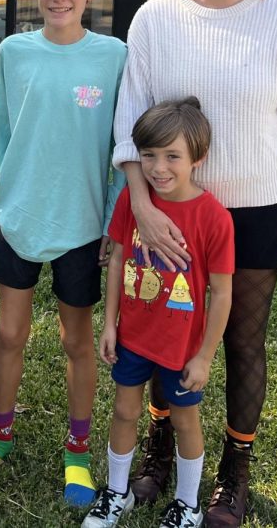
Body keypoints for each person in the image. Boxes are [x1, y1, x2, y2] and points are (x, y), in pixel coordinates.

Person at [112, 0, 277, 526]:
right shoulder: (157, 18)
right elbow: (130, 122)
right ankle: (157, 446)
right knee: (161, 331)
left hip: (257, 211)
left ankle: (234, 471)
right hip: (169, 211)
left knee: (240, 341)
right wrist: (142, 208)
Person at [0, 0, 127, 507]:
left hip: (82, 223)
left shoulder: (113, 57)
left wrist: (112, 221)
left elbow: (121, 149)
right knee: (10, 333)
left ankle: (77, 454)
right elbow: (1, 135)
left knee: (77, 341)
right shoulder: (15, 51)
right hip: (21, 215)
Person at [84, 98, 233, 528]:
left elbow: (221, 293)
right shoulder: (134, 204)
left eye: (172, 156)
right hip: (133, 337)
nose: (158, 168)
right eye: (148, 155)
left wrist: (204, 356)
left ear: (197, 159)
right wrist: (109, 323)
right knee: (125, 411)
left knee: (186, 421)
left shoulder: (214, 218)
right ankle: (116, 493)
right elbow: (115, 261)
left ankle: (188, 504)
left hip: (182, 348)